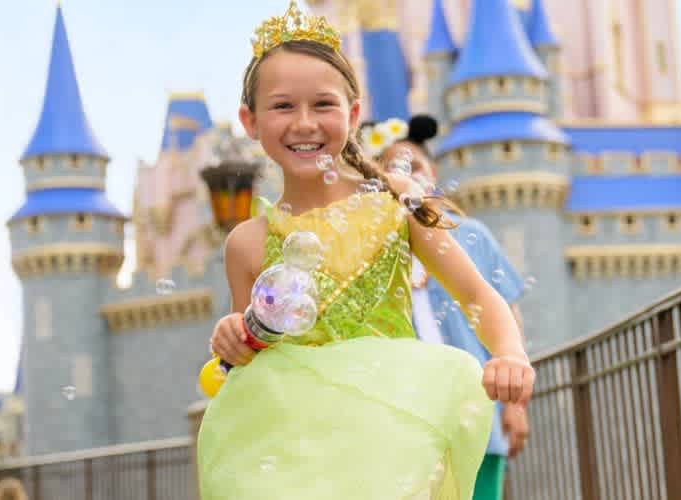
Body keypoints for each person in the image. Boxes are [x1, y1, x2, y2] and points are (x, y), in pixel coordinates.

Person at [196, 3, 534, 499]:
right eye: (283, 106)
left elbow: (476, 294)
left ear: (353, 114)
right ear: (250, 120)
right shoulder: (246, 242)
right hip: (291, 448)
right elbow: (248, 351)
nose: (304, 123)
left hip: (389, 438)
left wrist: (510, 353)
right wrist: (232, 340)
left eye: (324, 105)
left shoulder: (397, 201)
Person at [365, 115, 529, 500]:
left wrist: (516, 406)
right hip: (407, 418)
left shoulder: (469, 235)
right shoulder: (372, 247)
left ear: (432, 172)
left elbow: (507, 316)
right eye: (388, 168)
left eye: (413, 166)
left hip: (476, 408)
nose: (404, 176)